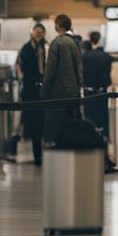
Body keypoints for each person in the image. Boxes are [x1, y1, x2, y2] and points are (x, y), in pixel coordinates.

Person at [42, 14, 84, 144]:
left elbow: (50, 69)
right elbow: (79, 68)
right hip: (73, 91)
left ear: (58, 26)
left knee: (55, 126)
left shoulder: (57, 42)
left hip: (58, 92)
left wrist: (45, 88)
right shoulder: (75, 43)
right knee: (70, 124)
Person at [16, 23, 48, 166]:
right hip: (30, 89)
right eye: (37, 32)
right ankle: (36, 155)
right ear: (32, 33)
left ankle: (43, 153)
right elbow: (21, 67)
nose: (39, 34)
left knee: (43, 122)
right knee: (33, 123)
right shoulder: (26, 49)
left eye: (41, 32)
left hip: (44, 89)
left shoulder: (47, 48)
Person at [83, 31, 113, 134]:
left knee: (90, 116)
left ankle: (92, 134)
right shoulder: (106, 56)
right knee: (102, 116)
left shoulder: (84, 56)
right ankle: (103, 135)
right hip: (103, 90)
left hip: (88, 90)